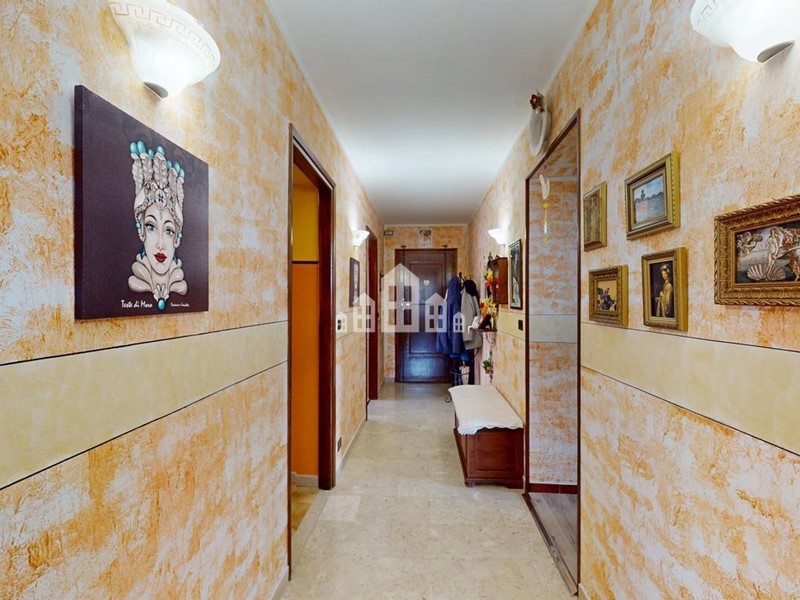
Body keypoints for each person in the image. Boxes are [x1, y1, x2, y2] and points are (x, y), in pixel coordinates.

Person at [127, 141, 188, 311]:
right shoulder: (137, 280)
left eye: (168, 231)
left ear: (176, 237)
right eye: (151, 227)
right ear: (141, 230)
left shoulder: (179, 285)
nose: (160, 244)